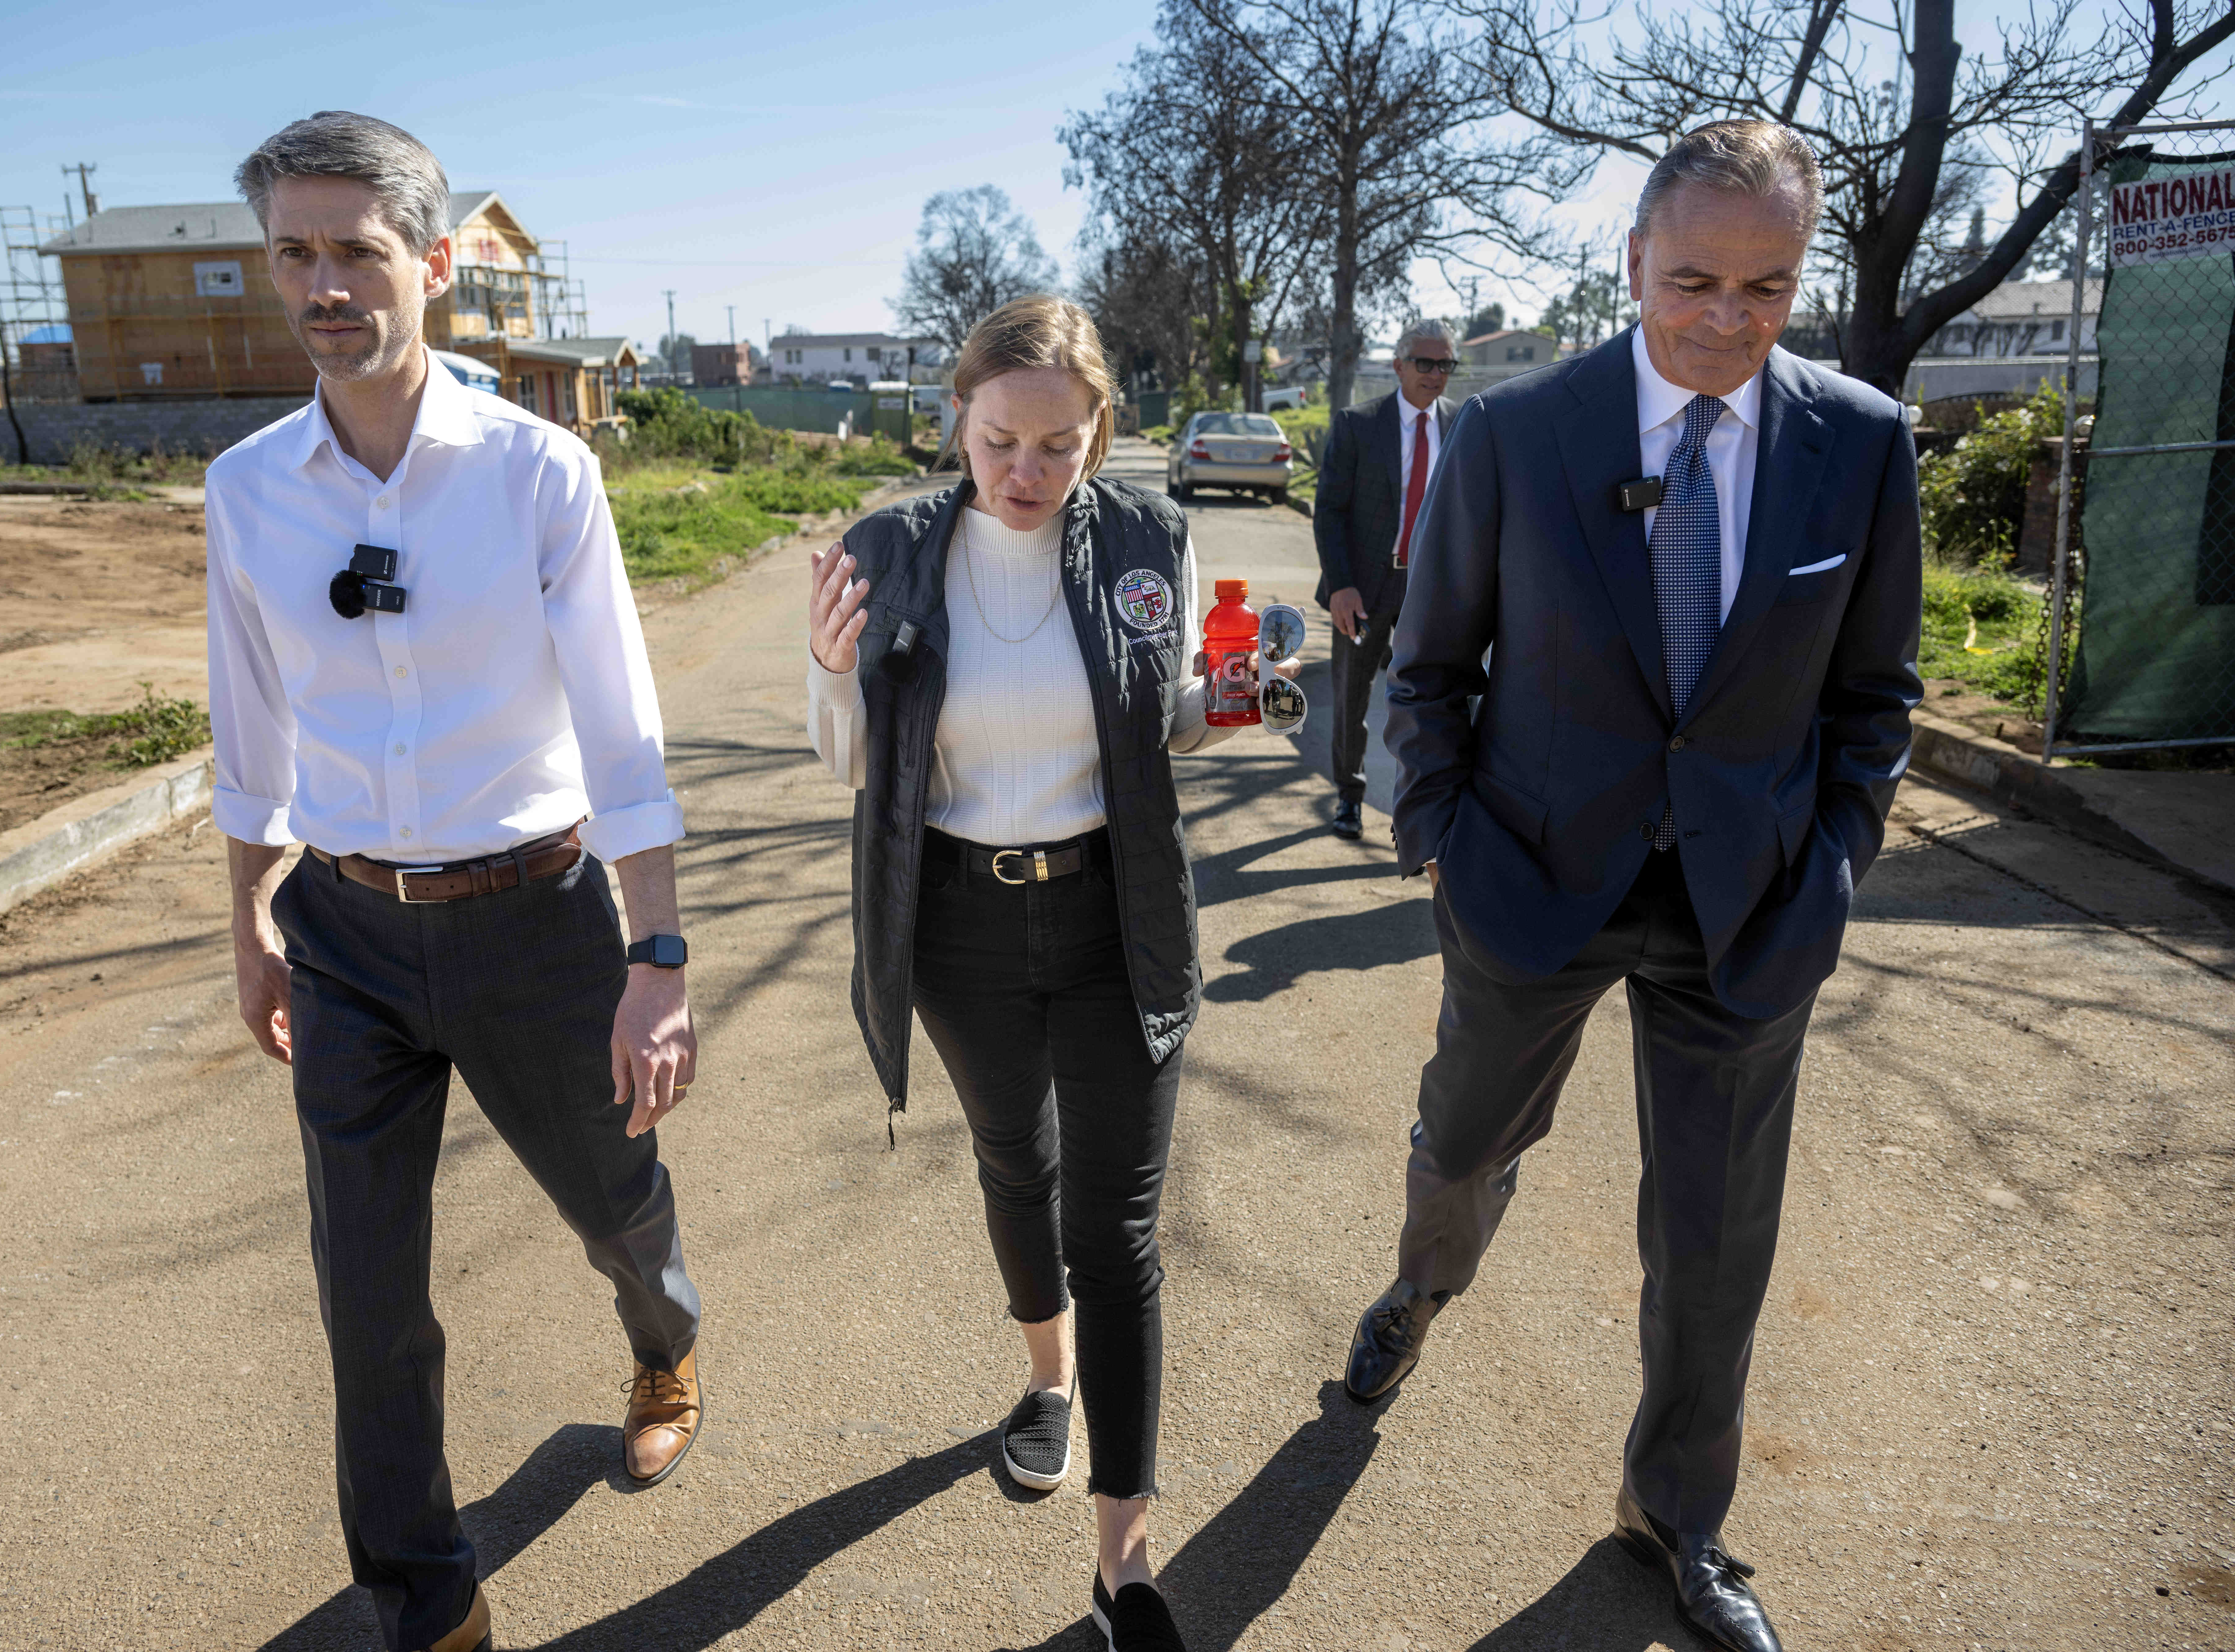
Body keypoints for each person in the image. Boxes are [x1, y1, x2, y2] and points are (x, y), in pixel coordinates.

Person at [1347, 120, 1921, 1652]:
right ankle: (1417, 1290)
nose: (1727, 316)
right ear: (1632, 265)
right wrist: (1443, 844)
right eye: (1693, 279)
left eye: (1767, 284)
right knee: (1464, 1146)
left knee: (1718, 1239)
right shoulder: (1517, 436)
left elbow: (1877, 696)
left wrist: (1838, 862)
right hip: (1532, 882)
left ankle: (1678, 1513)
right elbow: (1430, 668)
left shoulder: (1862, 442)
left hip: (1751, 911)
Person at [207, 111, 704, 1652]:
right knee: (366, 1289)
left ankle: (665, 1339)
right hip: (346, 931)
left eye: (357, 248)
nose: (324, 282)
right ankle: (427, 1606)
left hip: (537, 919)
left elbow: (622, 725)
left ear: (432, 264)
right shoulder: (248, 490)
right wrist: (247, 921)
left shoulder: (538, 476)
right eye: (295, 251)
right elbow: (248, 722)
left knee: (615, 1207)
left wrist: (658, 951)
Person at [805, 296, 1289, 1652]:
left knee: (1116, 1225)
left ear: (1099, 437)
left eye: (1058, 447)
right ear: (955, 416)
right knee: (1017, 1164)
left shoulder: (1147, 536)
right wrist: (832, 670)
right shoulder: (892, 545)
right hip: (955, 924)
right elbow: (846, 762)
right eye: (999, 440)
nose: (1024, 474)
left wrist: (1240, 694)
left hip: (1110, 914)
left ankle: (1123, 1553)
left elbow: (1172, 723)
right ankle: (1043, 1382)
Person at [1312, 319, 1460, 841]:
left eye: (1445, 364)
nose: (1435, 374)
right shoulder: (1358, 424)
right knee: (1353, 699)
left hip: (1432, 593)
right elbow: (1329, 511)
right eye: (1425, 363)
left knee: (1433, 705)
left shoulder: (1464, 425)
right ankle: (1349, 798)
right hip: (1364, 590)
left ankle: (1417, 812)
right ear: (1398, 366)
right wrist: (1340, 586)